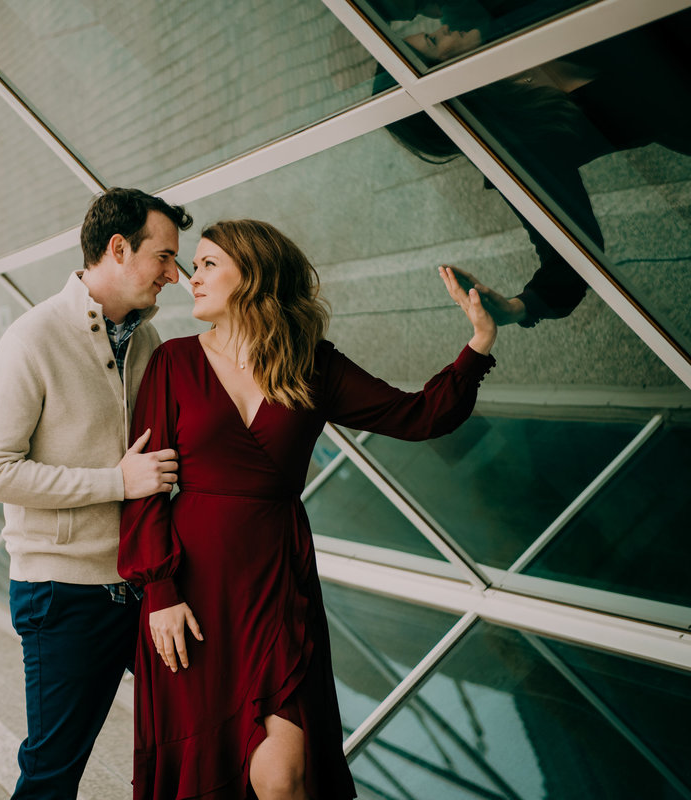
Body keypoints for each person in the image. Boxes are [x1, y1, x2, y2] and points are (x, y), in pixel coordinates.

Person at [119, 219, 497, 800]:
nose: (192, 278)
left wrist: (477, 345)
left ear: (254, 274)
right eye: (194, 266)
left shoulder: (311, 363)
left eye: (209, 264)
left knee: (284, 776)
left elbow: (418, 416)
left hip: (275, 582)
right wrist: (161, 593)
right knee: (204, 772)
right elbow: (145, 489)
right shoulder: (172, 362)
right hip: (191, 594)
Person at [0, 187, 193, 799]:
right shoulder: (31, 339)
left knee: (200, 734)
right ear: (119, 249)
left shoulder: (146, 342)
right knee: (53, 771)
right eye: (165, 257)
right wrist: (116, 483)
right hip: (62, 592)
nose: (176, 274)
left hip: (142, 586)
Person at [383, 9, 691, 327]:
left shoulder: (504, 22)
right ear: (444, 82)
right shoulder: (520, 145)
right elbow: (568, 254)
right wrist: (518, 307)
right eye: (434, 40)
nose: (446, 26)